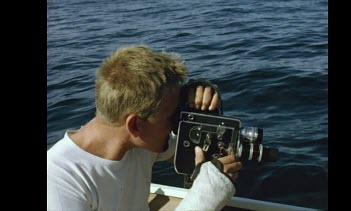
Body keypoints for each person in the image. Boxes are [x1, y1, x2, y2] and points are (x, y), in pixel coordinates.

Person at [47, 45, 242, 210]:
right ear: (135, 125)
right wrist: (207, 196)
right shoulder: (60, 181)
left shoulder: (136, 142)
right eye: (172, 116)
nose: (177, 124)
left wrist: (201, 101)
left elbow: (195, 153)